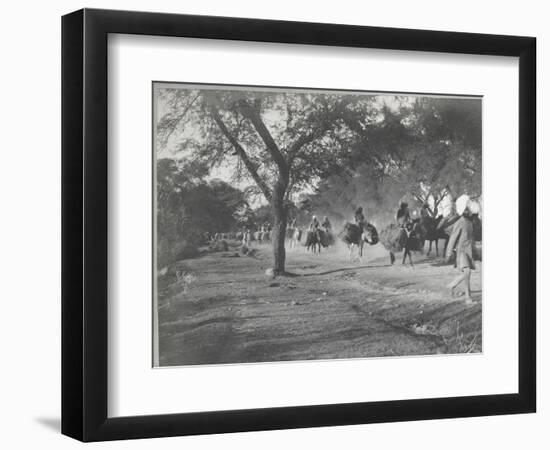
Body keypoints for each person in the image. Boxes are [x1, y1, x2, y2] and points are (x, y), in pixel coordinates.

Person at [446, 196, 475, 304]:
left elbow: (472, 240)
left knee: (468, 274)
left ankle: (453, 285)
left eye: (469, 209)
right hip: (461, 251)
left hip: (469, 252)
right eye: (467, 209)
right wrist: (448, 253)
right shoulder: (460, 222)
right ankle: (468, 297)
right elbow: (452, 239)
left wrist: (476, 252)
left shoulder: (470, 223)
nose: (469, 210)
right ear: (463, 210)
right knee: (467, 272)